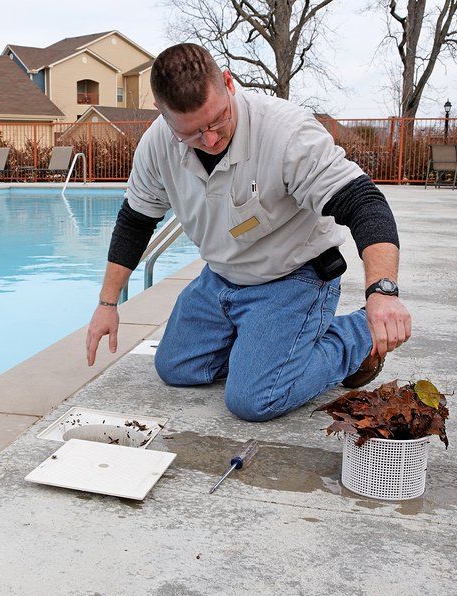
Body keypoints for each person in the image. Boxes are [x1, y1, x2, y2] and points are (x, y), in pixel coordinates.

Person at [85, 43, 411, 421]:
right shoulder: (157, 143)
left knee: (254, 400)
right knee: (175, 368)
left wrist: (383, 291)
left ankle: (356, 336)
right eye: (191, 132)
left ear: (228, 83)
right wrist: (107, 304)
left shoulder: (286, 132)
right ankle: (264, 346)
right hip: (221, 278)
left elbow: (364, 202)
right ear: (162, 113)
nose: (209, 139)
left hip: (293, 276)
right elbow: (135, 220)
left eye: (217, 120)